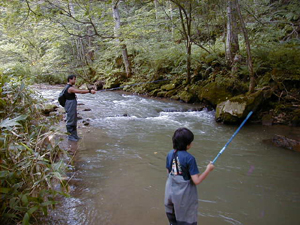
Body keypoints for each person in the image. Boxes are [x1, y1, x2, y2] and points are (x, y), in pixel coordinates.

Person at [164, 127, 215, 225]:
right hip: (183, 198)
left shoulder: (170, 154)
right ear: (187, 145)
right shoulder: (190, 158)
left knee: (173, 221)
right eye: (191, 142)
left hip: (169, 194)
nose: (192, 144)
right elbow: (196, 181)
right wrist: (208, 169)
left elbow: (168, 172)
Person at [64, 74, 96, 141]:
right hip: (70, 105)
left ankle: (75, 136)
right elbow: (80, 91)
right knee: (70, 120)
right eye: (74, 79)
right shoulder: (69, 88)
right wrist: (90, 91)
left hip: (72, 104)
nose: (75, 80)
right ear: (70, 79)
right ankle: (70, 136)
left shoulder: (69, 87)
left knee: (74, 119)